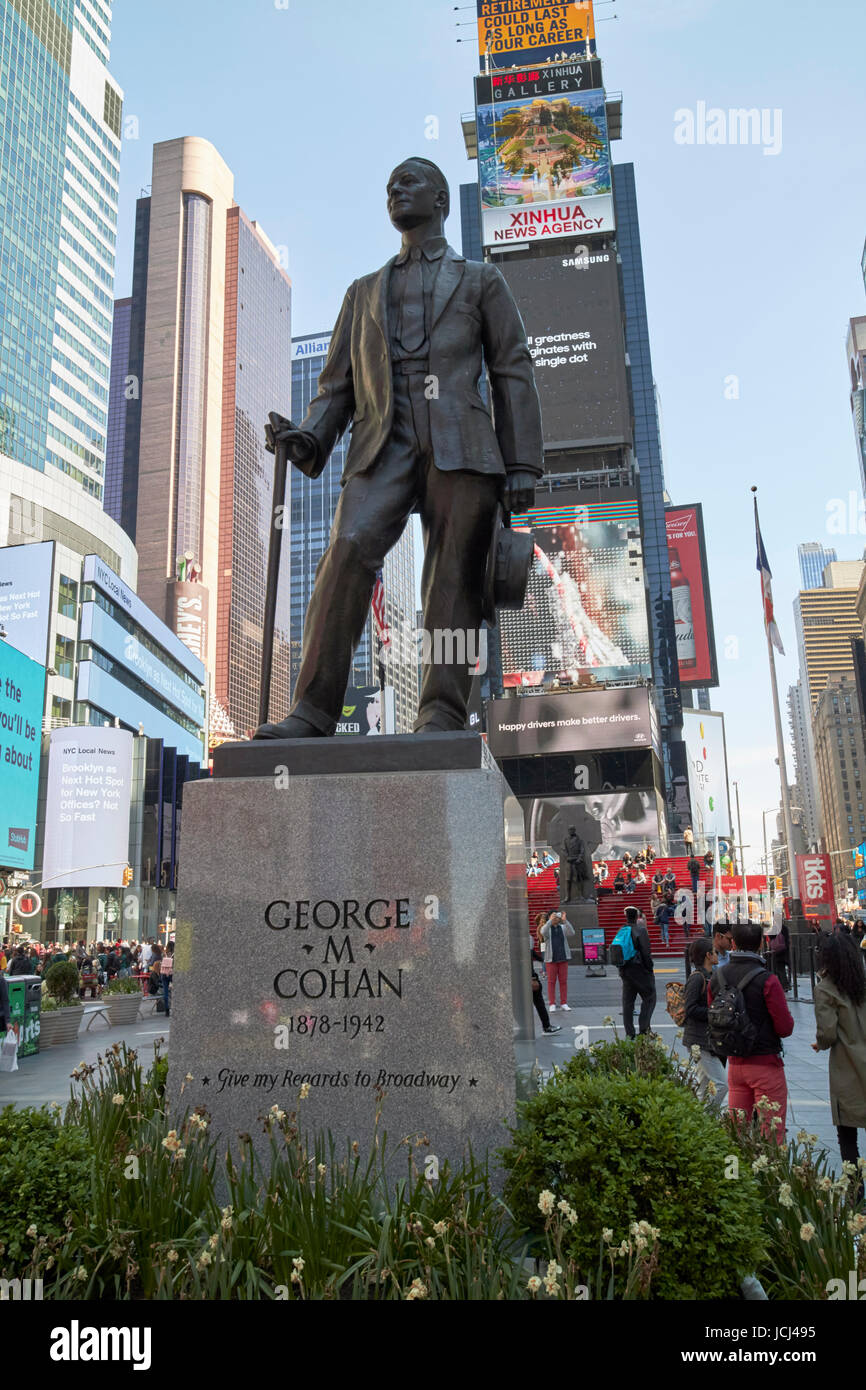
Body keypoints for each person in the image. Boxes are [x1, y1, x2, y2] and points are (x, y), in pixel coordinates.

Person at [256, 156, 542, 740]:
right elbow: (337, 388)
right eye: (389, 186)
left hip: (460, 444)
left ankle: (441, 710)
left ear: (440, 200)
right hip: (383, 442)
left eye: (409, 182)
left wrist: (520, 465)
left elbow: (513, 369)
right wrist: (309, 436)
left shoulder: (481, 280)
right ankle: (312, 710)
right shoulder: (362, 293)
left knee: (453, 576)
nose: (396, 191)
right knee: (348, 548)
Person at [709, 920, 794, 1141]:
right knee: (771, 1135)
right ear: (760, 945)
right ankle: (767, 1174)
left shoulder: (717, 978)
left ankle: (736, 1173)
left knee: (737, 1134)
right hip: (766, 1064)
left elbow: (713, 1016)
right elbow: (785, 1028)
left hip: (735, 1066)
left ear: (733, 943)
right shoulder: (768, 980)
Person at [812, 931, 866, 1168]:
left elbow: (828, 1032)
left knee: (847, 1134)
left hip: (848, 1065)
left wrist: (820, 1043)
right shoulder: (862, 985)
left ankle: (856, 1194)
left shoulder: (826, 989)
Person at [684, 936, 728, 1109]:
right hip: (699, 1040)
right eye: (715, 952)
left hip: (705, 1039)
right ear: (708, 955)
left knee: (702, 1086)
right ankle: (708, 1118)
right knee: (721, 1084)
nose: (718, 955)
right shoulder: (697, 978)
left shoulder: (709, 975)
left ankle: (698, 1121)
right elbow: (690, 1009)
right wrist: (714, 1012)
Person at [617, 905, 656, 1038]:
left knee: (627, 1002)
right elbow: (646, 952)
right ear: (637, 916)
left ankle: (630, 1033)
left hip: (625, 970)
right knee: (650, 997)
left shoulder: (622, 930)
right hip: (639, 970)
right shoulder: (641, 930)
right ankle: (644, 1029)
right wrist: (649, 968)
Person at [540, 909, 575, 1013]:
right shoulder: (547, 928)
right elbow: (542, 932)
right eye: (553, 916)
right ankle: (552, 1003)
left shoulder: (563, 927)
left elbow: (572, 932)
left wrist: (565, 921)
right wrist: (549, 921)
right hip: (551, 959)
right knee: (551, 982)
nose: (555, 918)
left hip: (563, 958)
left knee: (563, 981)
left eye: (556, 916)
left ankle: (564, 1003)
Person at [530, 935, 561, 1036]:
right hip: (528, 979)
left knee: (538, 1003)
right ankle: (546, 1027)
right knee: (539, 1002)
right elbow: (528, 960)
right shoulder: (521, 938)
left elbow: (534, 955)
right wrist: (533, 978)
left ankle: (546, 1026)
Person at [160, 942, 174, 1018]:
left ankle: (167, 1010)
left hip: (164, 974)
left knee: (165, 992)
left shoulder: (164, 954)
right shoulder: (174, 954)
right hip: (172, 974)